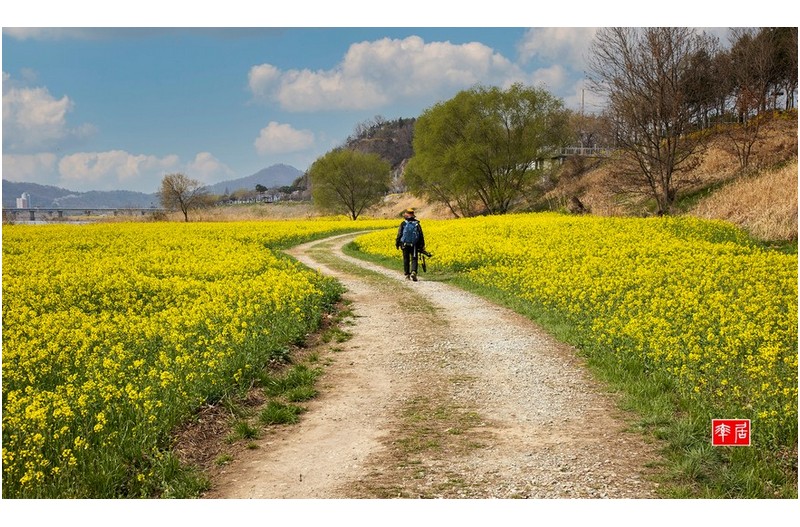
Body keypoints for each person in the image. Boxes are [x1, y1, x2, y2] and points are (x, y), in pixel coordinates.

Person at [395, 207, 426, 281]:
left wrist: (397, 243)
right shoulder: (417, 224)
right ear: (413, 215)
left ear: (406, 215)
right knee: (414, 258)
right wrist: (422, 245)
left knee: (406, 259)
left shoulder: (403, 223)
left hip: (404, 244)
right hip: (414, 244)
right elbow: (421, 235)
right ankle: (414, 272)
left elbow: (400, 234)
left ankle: (407, 275)